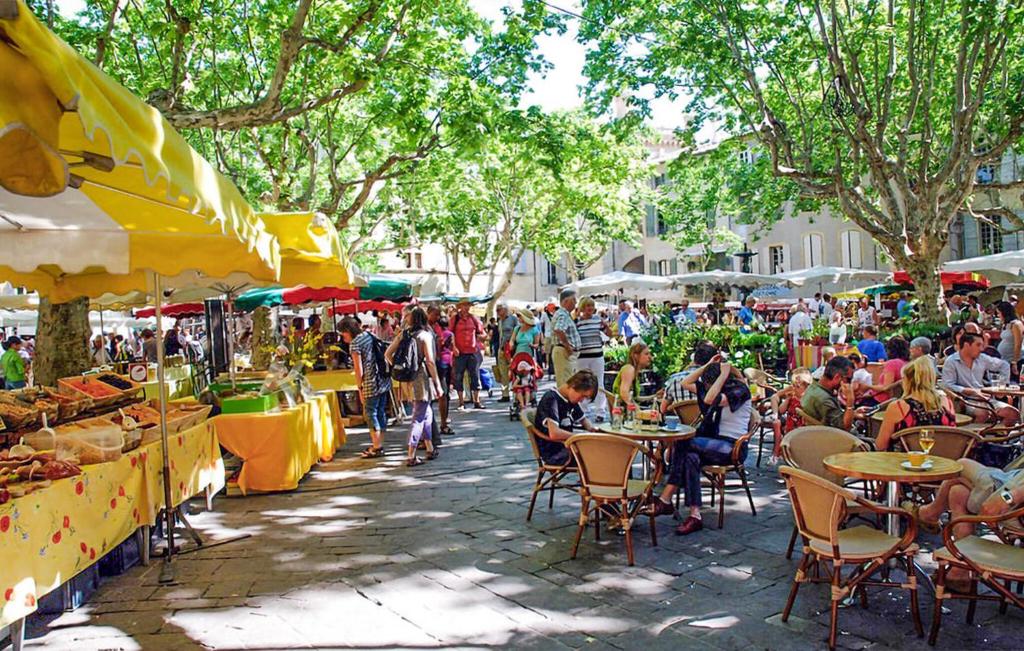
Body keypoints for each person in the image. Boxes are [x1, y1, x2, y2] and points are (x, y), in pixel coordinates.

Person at [644, 342, 752, 535]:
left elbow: (711, 399)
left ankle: (666, 498)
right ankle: (695, 516)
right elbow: (686, 383)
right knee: (690, 456)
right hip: (708, 444)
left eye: (710, 383)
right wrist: (708, 364)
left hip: (731, 447)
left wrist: (725, 373)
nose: (706, 387)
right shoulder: (708, 386)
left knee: (684, 442)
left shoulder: (739, 391)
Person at [909, 458, 1024, 592]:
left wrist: (1011, 497)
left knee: (960, 466)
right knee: (958, 493)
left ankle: (929, 514)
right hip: (1013, 481)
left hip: (1013, 499)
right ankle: (959, 573)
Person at [385, 307, 442, 467]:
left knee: (427, 413)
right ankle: (411, 455)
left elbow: (387, 354)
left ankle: (430, 447)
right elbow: (430, 361)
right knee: (418, 417)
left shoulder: (403, 334)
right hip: (421, 379)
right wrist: (437, 384)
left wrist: (401, 369)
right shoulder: (425, 336)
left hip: (407, 379)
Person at [875, 356, 957, 451]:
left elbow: (881, 446)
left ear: (907, 381)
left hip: (905, 462)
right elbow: (953, 437)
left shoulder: (898, 407)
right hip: (942, 460)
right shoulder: (947, 403)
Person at [942, 331, 1018, 426]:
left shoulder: (982, 358)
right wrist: (970, 391)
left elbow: (1004, 365)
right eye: (978, 345)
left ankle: (995, 437)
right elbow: (947, 385)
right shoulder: (951, 361)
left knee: (1013, 413)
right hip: (965, 400)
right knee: (983, 413)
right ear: (966, 345)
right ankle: (972, 438)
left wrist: (1003, 385)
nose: (982, 349)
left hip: (986, 399)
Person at [339, 318, 390, 459]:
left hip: (369, 382)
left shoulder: (355, 344)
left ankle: (377, 446)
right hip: (382, 379)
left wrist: (360, 387)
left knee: (370, 413)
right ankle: (379, 442)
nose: (343, 338)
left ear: (348, 331)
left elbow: (358, 368)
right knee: (380, 411)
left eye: (343, 334)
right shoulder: (368, 335)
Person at [532, 370, 600, 466]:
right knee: (600, 454)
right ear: (573, 386)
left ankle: (595, 479)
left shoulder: (570, 399)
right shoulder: (551, 399)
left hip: (567, 446)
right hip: (554, 451)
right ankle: (594, 479)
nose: (582, 400)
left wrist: (592, 429)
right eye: (583, 396)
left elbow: (583, 419)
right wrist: (579, 437)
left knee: (606, 448)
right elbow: (554, 433)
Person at [801, 355, 869, 430]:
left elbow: (834, 416)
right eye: (848, 379)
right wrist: (850, 401)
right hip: (836, 438)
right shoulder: (824, 399)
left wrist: (853, 412)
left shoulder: (814, 387)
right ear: (837, 377)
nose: (849, 384)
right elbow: (845, 427)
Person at [575, 297, 610, 422]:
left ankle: (600, 411)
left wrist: (606, 326)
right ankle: (582, 410)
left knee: (599, 383)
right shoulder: (577, 321)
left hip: (597, 355)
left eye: (591, 306)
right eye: (587, 306)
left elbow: (610, 335)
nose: (590, 308)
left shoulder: (598, 320)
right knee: (582, 383)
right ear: (582, 308)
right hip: (582, 357)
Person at [769, 367, 813, 462]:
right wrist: (787, 400)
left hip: (802, 427)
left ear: (806, 388)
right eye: (793, 385)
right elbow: (781, 410)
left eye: (797, 387)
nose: (793, 388)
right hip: (790, 427)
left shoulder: (808, 400)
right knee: (789, 448)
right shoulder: (792, 397)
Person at [451, 300, 485, 410]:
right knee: (458, 376)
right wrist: (454, 347)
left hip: (473, 351)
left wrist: (482, 337)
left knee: (475, 375)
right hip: (460, 352)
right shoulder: (455, 319)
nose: (466, 307)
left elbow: (482, 332)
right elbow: (450, 334)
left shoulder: (473, 318)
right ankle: (461, 402)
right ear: (460, 306)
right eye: (464, 305)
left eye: (468, 305)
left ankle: (477, 401)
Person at [866, 336, 910, 404]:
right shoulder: (907, 364)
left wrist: (866, 386)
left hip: (882, 401)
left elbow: (886, 387)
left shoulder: (892, 364)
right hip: (898, 400)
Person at [551, 289, 581, 386]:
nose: (575, 303)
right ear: (565, 301)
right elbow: (558, 329)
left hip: (563, 351)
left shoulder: (564, 314)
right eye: (573, 300)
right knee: (566, 382)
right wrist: (567, 346)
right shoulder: (562, 314)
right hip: (564, 351)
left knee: (567, 380)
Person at [613, 342, 654, 409]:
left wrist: (654, 396)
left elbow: (635, 398)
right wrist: (637, 409)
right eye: (646, 354)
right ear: (636, 356)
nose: (650, 357)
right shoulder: (629, 369)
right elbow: (624, 393)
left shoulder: (634, 371)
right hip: (624, 413)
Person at [494, 304, 518, 403]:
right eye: (497, 310)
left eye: (499, 310)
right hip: (502, 348)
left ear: (505, 310)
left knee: (515, 372)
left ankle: (517, 394)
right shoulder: (499, 321)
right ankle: (505, 394)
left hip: (512, 349)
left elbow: (517, 331)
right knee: (503, 372)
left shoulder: (513, 319)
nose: (497, 312)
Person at [996, 300, 1023, 380]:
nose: (998, 315)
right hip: (1004, 359)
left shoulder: (1016, 324)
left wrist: (1014, 361)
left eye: (999, 313)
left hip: (1014, 360)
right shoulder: (1006, 324)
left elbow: (1018, 344)